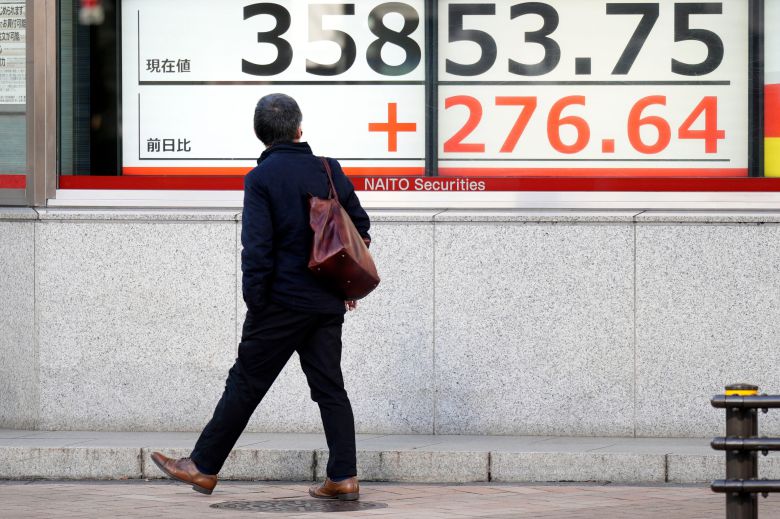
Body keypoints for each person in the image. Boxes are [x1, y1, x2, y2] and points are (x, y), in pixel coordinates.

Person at [150, 93, 370, 501]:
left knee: (246, 383)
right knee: (329, 388)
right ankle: (343, 477)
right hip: (325, 302)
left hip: (279, 303)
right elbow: (360, 226)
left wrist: (257, 303)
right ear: (299, 129)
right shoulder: (328, 169)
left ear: (260, 135)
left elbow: (256, 249)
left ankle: (202, 466)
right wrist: (343, 286)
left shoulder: (261, 179)